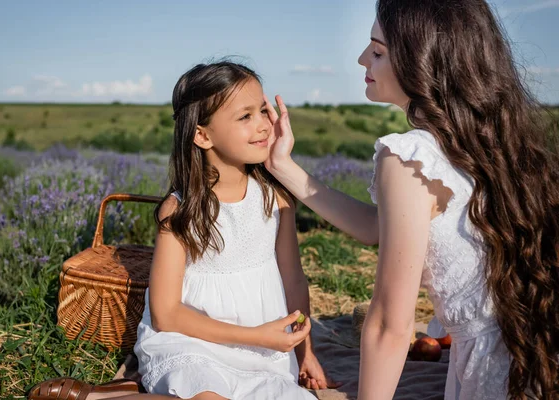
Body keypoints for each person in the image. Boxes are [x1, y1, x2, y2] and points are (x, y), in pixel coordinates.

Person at [262, 0, 559, 399]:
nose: (361, 58)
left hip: (493, 372)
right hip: (528, 352)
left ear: (424, 62)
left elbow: (389, 323)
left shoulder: (410, 154)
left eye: (378, 51)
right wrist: (284, 167)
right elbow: (376, 227)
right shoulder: (486, 137)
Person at [28, 62, 340, 400]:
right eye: (245, 116)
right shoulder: (181, 210)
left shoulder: (276, 199)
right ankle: (96, 397)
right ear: (203, 135)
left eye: (263, 111)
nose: (265, 125)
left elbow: (293, 279)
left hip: (264, 353)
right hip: (193, 344)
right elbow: (166, 314)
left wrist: (305, 353)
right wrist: (256, 335)